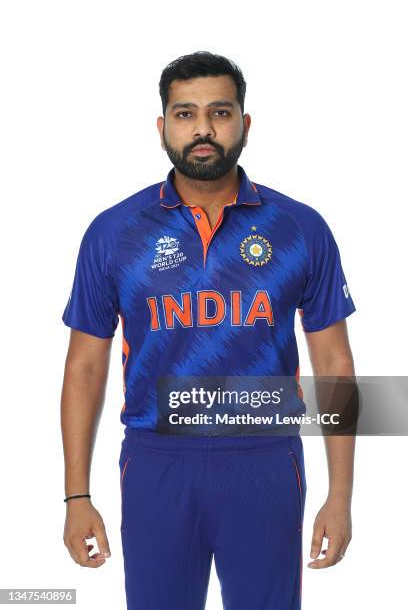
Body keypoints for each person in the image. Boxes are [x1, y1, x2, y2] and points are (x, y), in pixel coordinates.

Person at [61, 50, 357, 610]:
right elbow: (84, 367)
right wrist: (77, 494)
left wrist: (339, 494)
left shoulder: (299, 227)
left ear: (245, 124)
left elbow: (335, 367)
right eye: (184, 113)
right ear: (162, 127)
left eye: (219, 112)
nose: (202, 128)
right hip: (155, 463)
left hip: (265, 462)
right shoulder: (114, 231)